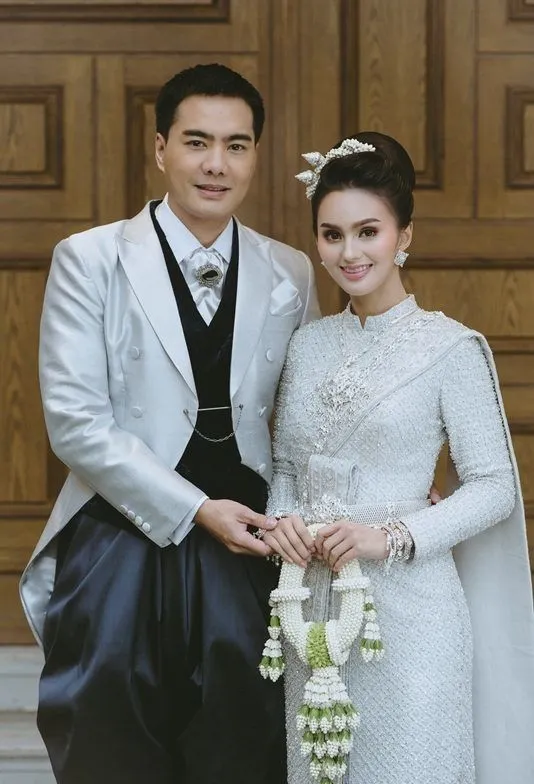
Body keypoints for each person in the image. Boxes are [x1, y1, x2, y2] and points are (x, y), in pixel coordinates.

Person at [19, 63, 320, 784]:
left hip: (249, 543)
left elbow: (310, 417)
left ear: (255, 155)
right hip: (120, 534)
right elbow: (76, 423)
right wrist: (195, 509)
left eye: (236, 145)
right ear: (161, 150)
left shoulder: (292, 271)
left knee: (247, 736)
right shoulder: (90, 259)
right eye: (197, 142)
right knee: (109, 734)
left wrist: (392, 486)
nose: (217, 164)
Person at [263, 131, 534, 784]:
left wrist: (389, 537)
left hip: (412, 613)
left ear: (403, 236)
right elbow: (287, 470)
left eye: (368, 232)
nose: (349, 253)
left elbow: (495, 486)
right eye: (332, 235)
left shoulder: (451, 348)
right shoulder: (307, 346)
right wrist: (283, 524)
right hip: (312, 610)